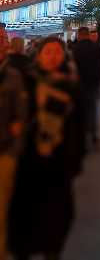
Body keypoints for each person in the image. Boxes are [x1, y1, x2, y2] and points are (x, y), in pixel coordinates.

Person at [7, 37, 86, 260]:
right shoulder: (27, 81)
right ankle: (24, 250)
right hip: (29, 157)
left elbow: (79, 125)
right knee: (26, 210)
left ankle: (53, 250)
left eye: (57, 52)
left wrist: (77, 159)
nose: (53, 57)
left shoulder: (71, 86)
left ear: (64, 56)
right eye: (48, 52)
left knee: (58, 213)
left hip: (59, 159)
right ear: (39, 55)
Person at [1, 30, 29, 260]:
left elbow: (21, 117)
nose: (4, 43)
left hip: (5, 151)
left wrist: (14, 151)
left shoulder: (13, 75)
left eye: (5, 39)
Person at [70, 26, 100, 148]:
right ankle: (94, 136)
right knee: (92, 109)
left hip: (79, 84)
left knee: (81, 110)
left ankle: (82, 138)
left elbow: (72, 67)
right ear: (88, 34)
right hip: (93, 83)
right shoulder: (96, 48)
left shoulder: (75, 49)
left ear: (79, 35)